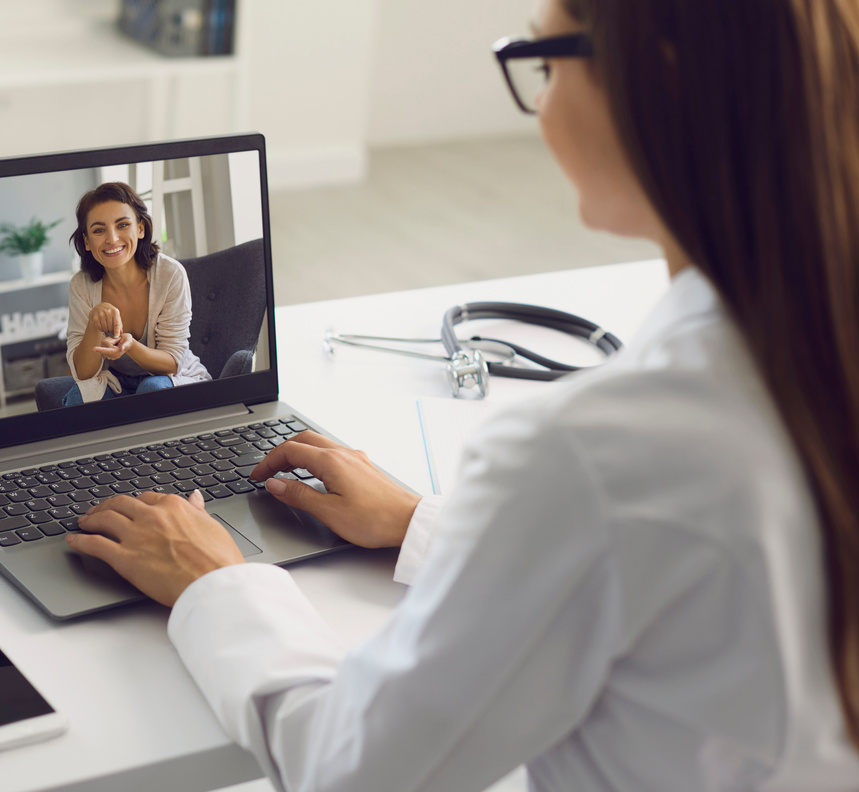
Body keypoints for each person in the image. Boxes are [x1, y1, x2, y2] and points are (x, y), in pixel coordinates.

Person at [64, 0, 859, 788]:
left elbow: (349, 769)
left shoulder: (595, 451)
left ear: (654, 81)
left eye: (543, 65)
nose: (540, 104)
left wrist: (213, 581)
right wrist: (425, 525)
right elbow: (642, 572)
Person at [61, 182, 210, 405]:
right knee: (77, 397)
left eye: (122, 225)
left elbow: (172, 362)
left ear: (140, 228)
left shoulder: (170, 275)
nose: (112, 239)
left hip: (171, 377)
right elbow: (83, 374)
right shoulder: (81, 286)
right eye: (99, 230)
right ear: (87, 242)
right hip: (117, 382)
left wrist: (131, 347)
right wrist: (93, 324)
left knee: (152, 389)